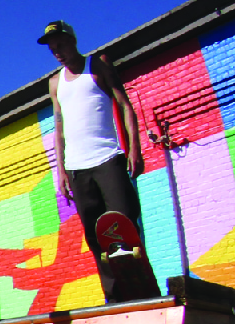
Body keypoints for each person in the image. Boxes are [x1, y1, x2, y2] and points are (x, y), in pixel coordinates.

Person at [40, 20, 161, 304]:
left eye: (60, 45)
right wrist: (61, 172)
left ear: (72, 40)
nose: (57, 51)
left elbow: (125, 104)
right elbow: (59, 129)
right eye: (52, 48)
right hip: (77, 169)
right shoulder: (55, 83)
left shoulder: (98, 65)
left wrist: (135, 149)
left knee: (124, 228)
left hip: (108, 159)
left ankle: (146, 292)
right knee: (97, 239)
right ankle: (115, 298)